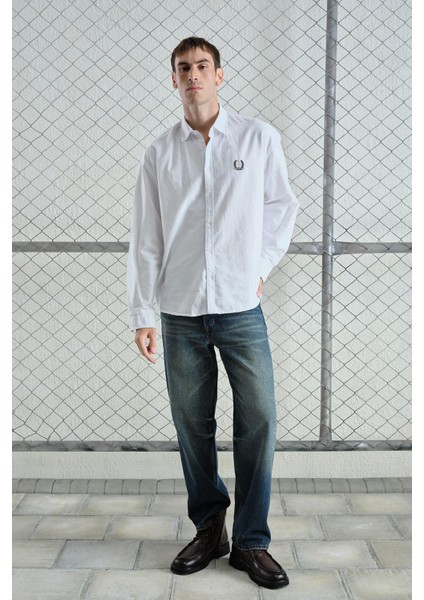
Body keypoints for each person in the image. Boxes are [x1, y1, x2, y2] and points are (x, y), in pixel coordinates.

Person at [127, 36, 299, 590]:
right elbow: (146, 236)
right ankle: (210, 529)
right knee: (192, 424)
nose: (193, 75)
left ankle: (251, 541)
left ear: (219, 75)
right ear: (173, 79)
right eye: (184, 68)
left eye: (203, 66)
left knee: (260, 419)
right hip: (179, 310)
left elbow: (281, 206)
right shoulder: (159, 153)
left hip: (240, 307)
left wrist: (259, 266)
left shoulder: (257, 138)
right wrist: (142, 311)